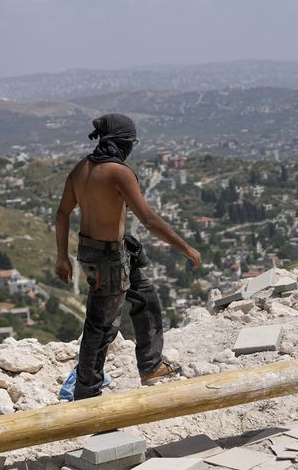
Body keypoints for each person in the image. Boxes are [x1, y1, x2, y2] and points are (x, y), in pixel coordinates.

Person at [54, 113, 201, 400]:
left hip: (95, 252)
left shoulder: (80, 169)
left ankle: (151, 364)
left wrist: (62, 256)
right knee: (101, 326)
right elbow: (149, 220)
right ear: (123, 143)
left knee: (144, 295)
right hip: (108, 258)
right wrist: (186, 248)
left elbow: (62, 213)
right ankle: (87, 392)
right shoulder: (119, 172)